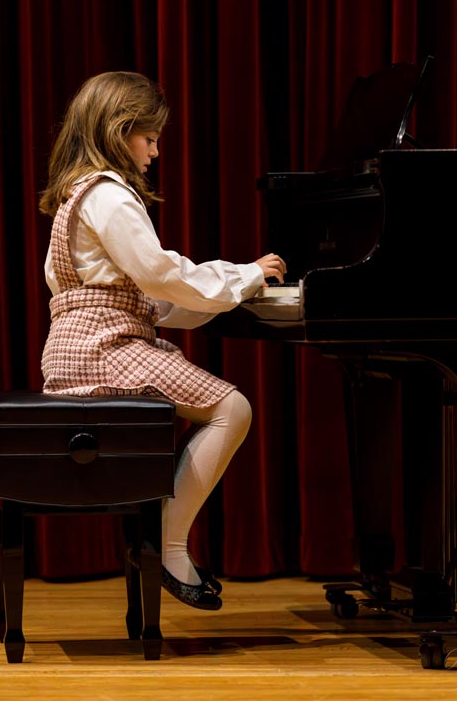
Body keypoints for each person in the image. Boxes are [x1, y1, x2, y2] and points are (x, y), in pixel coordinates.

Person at [39, 70, 287, 611]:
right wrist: (244, 275)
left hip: (79, 348)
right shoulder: (110, 196)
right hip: (104, 351)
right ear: (118, 130)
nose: (154, 152)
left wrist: (234, 291)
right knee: (233, 409)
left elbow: (152, 298)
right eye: (149, 138)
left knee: (222, 407)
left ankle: (163, 530)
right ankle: (169, 544)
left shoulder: (79, 194)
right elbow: (161, 275)